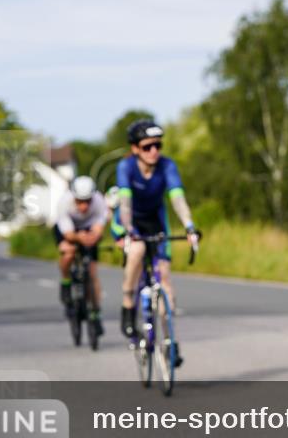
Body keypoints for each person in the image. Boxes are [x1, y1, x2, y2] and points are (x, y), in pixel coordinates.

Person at [116, 120, 200, 364]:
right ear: (135, 149)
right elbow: (125, 204)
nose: (154, 151)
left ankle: (170, 341)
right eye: (147, 146)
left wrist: (189, 226)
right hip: (133, 220)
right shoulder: (126, 167)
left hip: (156, 220)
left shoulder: (167, 166)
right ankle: (128, 304)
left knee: (165, 278)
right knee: (137, 251)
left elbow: (178, 199)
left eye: (158, 145)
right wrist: (129, 230)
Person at [54, 176, 109, 336]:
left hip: (89, 229)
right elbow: (68, 233)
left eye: (87, 201)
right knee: (68, 252)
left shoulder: (99, 201)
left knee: (92, 273)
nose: (84, 206)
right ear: (73, 197)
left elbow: (99, 227)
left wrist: (93, 236)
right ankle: (65, 282)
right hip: (68, 230)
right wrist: (79, 238)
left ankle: (96, 312)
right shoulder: (64, 202)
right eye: (79, 201)